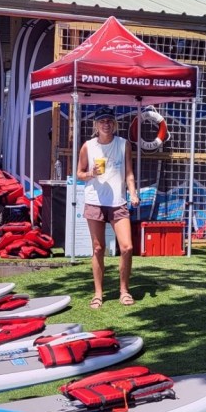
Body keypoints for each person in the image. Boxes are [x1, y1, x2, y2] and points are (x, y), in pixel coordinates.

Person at [75, 106, 139, 309]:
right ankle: (98, 293)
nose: (106, 124)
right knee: (98, 247)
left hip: (118, 202)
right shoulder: (88, 146)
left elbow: (129, 173)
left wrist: (133, 192)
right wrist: (90, 174)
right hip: (94, 200)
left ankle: (124, 290)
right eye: (102, 120)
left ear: (114, 123)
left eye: (109, 120)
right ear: (96, 124)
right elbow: (79, 173)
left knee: (127, 247)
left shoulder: (123, 144)